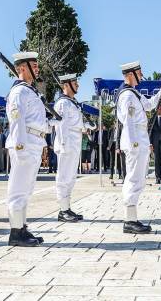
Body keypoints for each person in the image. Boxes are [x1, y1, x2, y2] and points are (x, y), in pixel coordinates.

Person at [116, 61, 161, 234]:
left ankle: (132, 218)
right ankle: (130, 220)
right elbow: (129, 122)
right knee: (133, 178)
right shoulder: (127, 95)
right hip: (135, 140)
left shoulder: (134, 94)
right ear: (130, 74)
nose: (141, 75)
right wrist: (134, 144)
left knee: (138, 179)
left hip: (139, 138)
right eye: (139, 73)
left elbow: (149, 105)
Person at [4, 52, 48, 246]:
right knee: (18, 188)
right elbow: (16, 121)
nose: (37, 68)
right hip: (24, 143)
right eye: (33, 65)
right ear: (22, 68)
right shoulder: (19, 92)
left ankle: (22, 228)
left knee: (27, 188)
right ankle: (15, 232)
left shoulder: (30, 91)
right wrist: (20, 147)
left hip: (34, 142)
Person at [53, 73, 94, 223]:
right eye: (74, 83)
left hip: (74, 143)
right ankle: (63, 211)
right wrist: (64, 145)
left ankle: (67, 207)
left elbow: (74, 124)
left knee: (70, 177)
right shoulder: (63, 103)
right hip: (67, 144)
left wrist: (86, 126)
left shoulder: (72, 103)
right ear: (66, 85)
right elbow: (61, 126)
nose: (77, 85)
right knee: (63, 177)